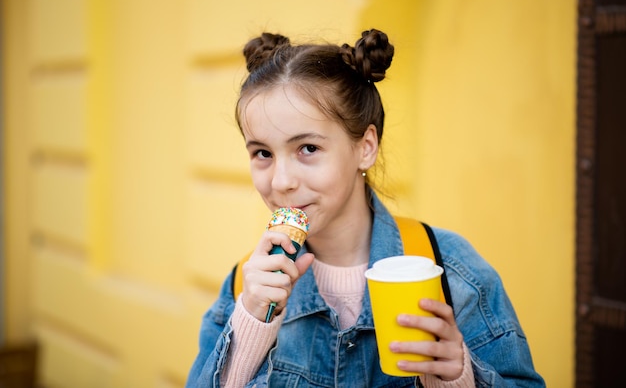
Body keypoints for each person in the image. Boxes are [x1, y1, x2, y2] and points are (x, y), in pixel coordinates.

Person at [185, 29, 545, 387]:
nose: (281, 182)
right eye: (262, 153)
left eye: (307, 148)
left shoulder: (452, 272)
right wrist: (250, 325)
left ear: (366, 147)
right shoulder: (243, 287)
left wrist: (458, 376)